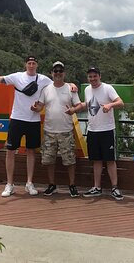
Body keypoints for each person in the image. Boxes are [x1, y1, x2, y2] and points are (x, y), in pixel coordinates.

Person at [0, 56, 52, 197]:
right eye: (29, 63)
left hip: (33, 120)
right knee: (10, 151)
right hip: (17, 119)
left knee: (31, 151)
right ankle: (9, 184)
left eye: (34, 63)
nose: (31, 65)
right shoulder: (17, 77)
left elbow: (57, 85)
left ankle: (29, 183)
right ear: (25, 64)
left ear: (37, 65)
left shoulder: (44, 79)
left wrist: (71, 85)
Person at [31, 61, 82, 198]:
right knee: (49, 160)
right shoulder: (46, 89)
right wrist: (35, 108)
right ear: (51, 73)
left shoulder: (71, 89)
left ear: (64, 73)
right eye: (55, 71)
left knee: (70, 160)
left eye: (60, 71)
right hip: (49, 131)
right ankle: (52, 184)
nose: (58, 73)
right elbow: (40, 106)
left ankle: (72, 185)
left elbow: (79, 105)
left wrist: (73, 110)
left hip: (66, 131)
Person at [73, 66, 125, 200]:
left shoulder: (108, 88)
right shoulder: (87, 89)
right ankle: (97, 187)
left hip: (107, 130)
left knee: (110, 160)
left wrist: (110, 105)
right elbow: (89, 104)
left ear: (99, 76)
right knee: (96, 160)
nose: (92, 79)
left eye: (95, 76)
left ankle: (114, 187)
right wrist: (75, 109)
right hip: (92, 130)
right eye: (90, 76)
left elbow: (120, 102)